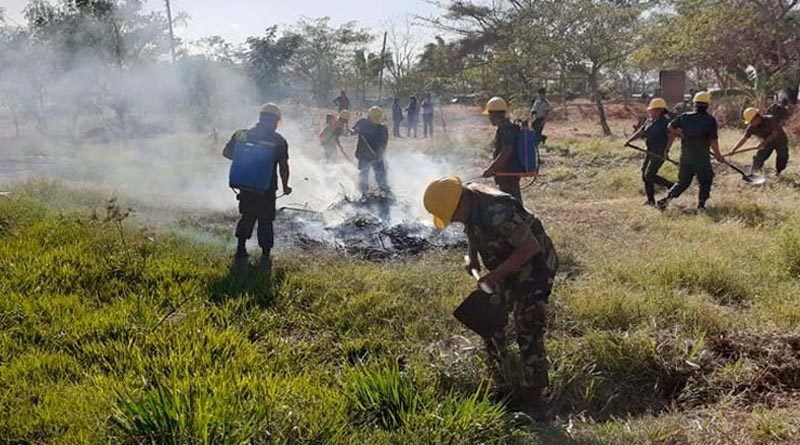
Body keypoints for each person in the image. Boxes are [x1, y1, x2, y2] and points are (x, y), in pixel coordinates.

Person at [423, 177, 558, 418]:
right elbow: (471, 228)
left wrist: (494, 276)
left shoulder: (498, 210)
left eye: (451, 215)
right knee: (490, 319)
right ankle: (505, 378)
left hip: (534, 266)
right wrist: (473, 258)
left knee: (527, 325)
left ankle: (534, 400)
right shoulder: (469, 200)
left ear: (459, 203)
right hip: (507, 263)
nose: (452, 220)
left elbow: (530, 248)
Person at [223, 103, 292, 261]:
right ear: (276, 121)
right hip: (267, 188)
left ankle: (240, 250)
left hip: (246, 185)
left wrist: (245, 158)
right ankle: (265, 255)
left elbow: (226, 152)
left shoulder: (242, 135)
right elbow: (283, 167)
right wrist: (285, 186)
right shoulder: (279, 140)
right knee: (266, 220)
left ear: (260, 118)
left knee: (247, 216)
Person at [657, 91, 725, 211]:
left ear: (695, 104)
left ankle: (666, 200)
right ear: (707, 105)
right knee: (705, 180)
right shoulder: (710, 120)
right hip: (702, 157)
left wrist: (680, 134)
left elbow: (670, 126)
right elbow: (713, 140)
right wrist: (718, 155)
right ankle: (701, 206)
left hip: (686, 156)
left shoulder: (685, 116)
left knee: (683, 182)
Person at [624, 98, 675, 206]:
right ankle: (651, 200)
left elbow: (671, 136)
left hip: (659, 152)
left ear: (660, 110)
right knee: (644, 175)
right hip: (649, 151)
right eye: (650, 110)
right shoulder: (650, 121)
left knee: (649, 175)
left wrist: (666, 151)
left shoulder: (666, 122)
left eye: (653, 110)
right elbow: (641, 131)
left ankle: (671, 185)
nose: (651, 112)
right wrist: (629, 140)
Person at [482, 96, 523, 201]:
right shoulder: (506, 128)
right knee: (513, 203)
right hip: (507, 173)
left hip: (507, 174)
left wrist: (491, 169)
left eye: (490, 115)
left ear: (495, 114)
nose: (489, 118)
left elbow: (506, 151)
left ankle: (524, 218)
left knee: (512, 204)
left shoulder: (506, 129)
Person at [729, 107, 790, 176]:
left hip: (780, 140)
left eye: (751, 121)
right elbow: (744, 139)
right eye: (750, 122)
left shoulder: (770, 119)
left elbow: (774, 134)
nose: (751, 123)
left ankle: (778, 172)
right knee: (759, 157)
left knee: (782, 156)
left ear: (757, 117)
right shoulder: (751, 127)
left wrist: (763, 143)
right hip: (768, 142)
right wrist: (734, 150)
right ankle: (754, 174)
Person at [353, 106, 390, 196]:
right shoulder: (362, 123)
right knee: (363, 174)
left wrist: (378, 155)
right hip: (364, 154)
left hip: (376, 155)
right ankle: (363, 193)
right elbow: (352, 130)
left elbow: (383, 145)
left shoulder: (382, 129)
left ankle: (384, 190)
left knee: (381, 174)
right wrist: (355, 130)